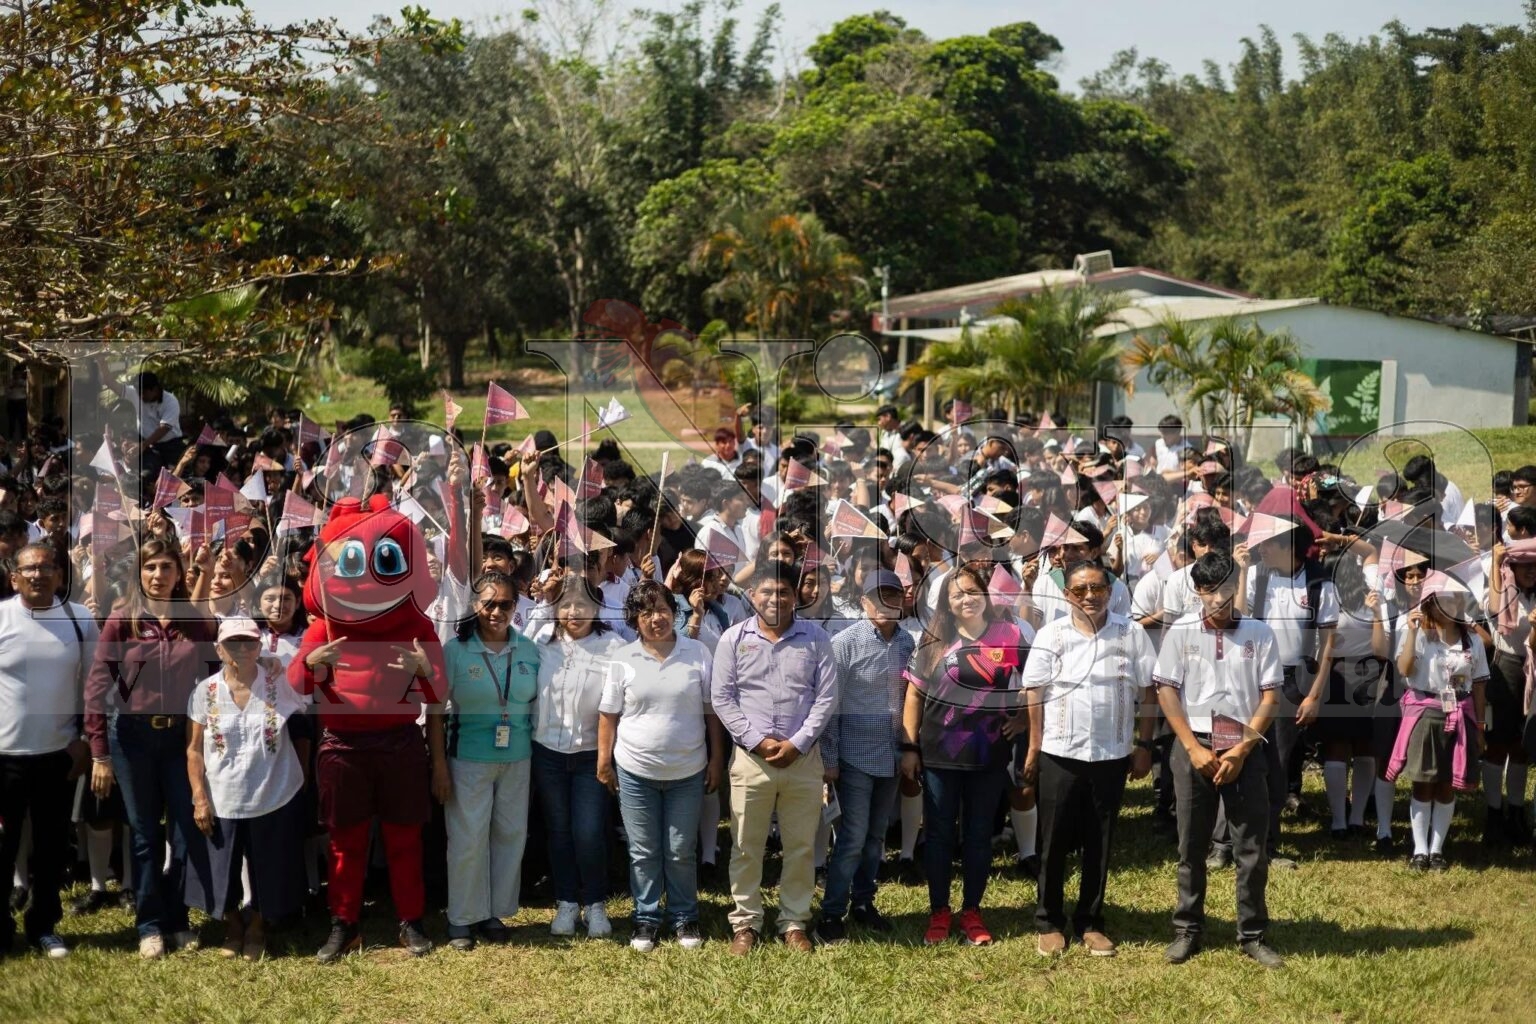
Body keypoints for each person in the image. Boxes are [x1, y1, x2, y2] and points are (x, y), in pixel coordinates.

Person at [86, 538, 219, 960]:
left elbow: (215, 672)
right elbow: (96, 687)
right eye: (150, 568)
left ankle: (178, 918)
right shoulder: (122, 620)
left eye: (166, 567)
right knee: (144, 835)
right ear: (138, 574)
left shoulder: (192, 622)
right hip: (132, 740)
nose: (158, 575)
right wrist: (99, 752)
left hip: (180, 739)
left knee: (184, 831)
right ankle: (149, 925)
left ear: (180, 573)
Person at [1154, 552, 1284, 968]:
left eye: (1226, 590)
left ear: (1236, 586)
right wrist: (1191, 746)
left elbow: (1270, 697)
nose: (1218, 600)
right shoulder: (1181, 632)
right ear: (1198, 591)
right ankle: (1187, 929)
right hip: (1194, 743)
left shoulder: (1260, 632)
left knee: (1250, 846)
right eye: (1210, 592)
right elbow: (1166, 691)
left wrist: (1244, 749)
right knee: (1191, 843)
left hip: (1245, 743)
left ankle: (1252, 933)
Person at [1022, 561, 1157, 958]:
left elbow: (1149, 691)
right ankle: (1049, 920)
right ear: (1067, 595)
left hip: (1113, 753)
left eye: (1096, 588)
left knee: (1101, 839)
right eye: (1079, 590)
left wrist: (1144, 745)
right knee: (1054, 841)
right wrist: (1033, 746)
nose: (1089, 597)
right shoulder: (1051, 634)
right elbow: (1034, 692)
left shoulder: (1131, 633)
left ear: (1111, 591)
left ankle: (1091, 921)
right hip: (1060, 752)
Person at [711, 559, 838, 955]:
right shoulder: (733, 638)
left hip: (803, 759)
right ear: (752, 596)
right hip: (752, 759)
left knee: (800, 846)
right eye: (766, 591)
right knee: (747, 844)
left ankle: (794, 920)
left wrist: (797, 743)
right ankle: (746, 923)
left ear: (795, 596)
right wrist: (757, 741)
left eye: (783, 591)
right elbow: (722, 698)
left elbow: (826, 697)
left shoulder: (816, 639)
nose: (775, 598)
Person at [902, 564, 1032, 947]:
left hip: (988, 754)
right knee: (940, 835)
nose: (966, 599)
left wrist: (1023, 718)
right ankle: (939, 911)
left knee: (978, 836)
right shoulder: (934, 638)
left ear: (985, 596)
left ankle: (972, 910)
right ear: (947, 601)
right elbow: (913, 695)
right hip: (938, 752)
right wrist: (909, 747)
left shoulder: (1009, 634)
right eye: (957, 594)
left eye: (972, 591)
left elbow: (1039, 681)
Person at [597, 580, 722, 953]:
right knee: (643, 850)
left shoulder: (697, 652)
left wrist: (717, 759)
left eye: (664, 609)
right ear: (635, 619)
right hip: (636, 771)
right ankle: (646, 918)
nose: (657, 618)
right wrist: (604, 760)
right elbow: (609, 714)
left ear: (675, 611)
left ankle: (685, 916)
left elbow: (712, 712)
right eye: (647, 612)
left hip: (688, 769)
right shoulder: (622, 658)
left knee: (681, 848)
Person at [185, 616, 311, 961]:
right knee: (220, 865)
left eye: (248, 643)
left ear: (260, 645)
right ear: (218, 649)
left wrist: (301, 777)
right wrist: (199, 797)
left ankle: (257, 926)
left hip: (273, 792)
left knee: (269, 865)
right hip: (222, 794)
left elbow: (302, 724)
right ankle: (233, 925)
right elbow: (194, 749)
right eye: (232, 643)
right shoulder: (205, 691)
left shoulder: (278, 681)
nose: (241, 649)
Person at [430, 571, 539, 952]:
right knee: (467, 840)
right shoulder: (455, 651)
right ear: (475, 605)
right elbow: (435, 710)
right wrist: (439, 766)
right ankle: (461, 917)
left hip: (518, 758)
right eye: (489, 603)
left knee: (509, 836)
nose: (496, 611)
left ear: (516, 605)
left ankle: (493, 911)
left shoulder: (528, 649)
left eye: (505, 604)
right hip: (468, 759)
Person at [0, 543, 98, 959]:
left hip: (59, 753)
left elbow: (94, 687)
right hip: (4, 755)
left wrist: (85, 740)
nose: (37, 575)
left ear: (59, 575)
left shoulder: (79, 620)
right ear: (14, 577)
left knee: (50, 845)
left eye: (46, 568)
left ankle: (44, 925)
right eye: (29, 569)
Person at [816, 569, 914, 945]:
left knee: (875, 838)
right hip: (855, 756)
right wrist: (830, 759)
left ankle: (863, 903)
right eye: (878, 597)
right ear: (864, 603)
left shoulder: (909, 643)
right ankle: (831, 912)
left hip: (891, 754)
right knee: (853, 837)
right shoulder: (845, 643)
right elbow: (830, 707)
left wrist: (908, 749)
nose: (886, 604)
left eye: (893, 596)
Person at [531, 572, 624, 938]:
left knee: (588, 831)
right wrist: (542, 604)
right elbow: (516, 647)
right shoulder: (542, 642)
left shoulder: (613, 645)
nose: (573, 611)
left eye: (582, 604)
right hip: (548, 752)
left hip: (590, 754)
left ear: (597, 607)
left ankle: (596, 903)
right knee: (559, 831)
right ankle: (567, 901)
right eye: (566, 604)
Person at [1388, 573, 1488, 871]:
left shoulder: (1472, 640)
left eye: (1457, 597)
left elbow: (1479, 685)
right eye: (1446, 598)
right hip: (1426, 712)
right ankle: (1419, 851)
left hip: (1461, 713)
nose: (1453, 603)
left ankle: (1437, 850)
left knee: (1447, 785)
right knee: (1423, 782)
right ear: (1432, 602)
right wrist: (1412, 632)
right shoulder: (1419, 634)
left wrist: (1480, 726)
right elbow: (1404, 669)